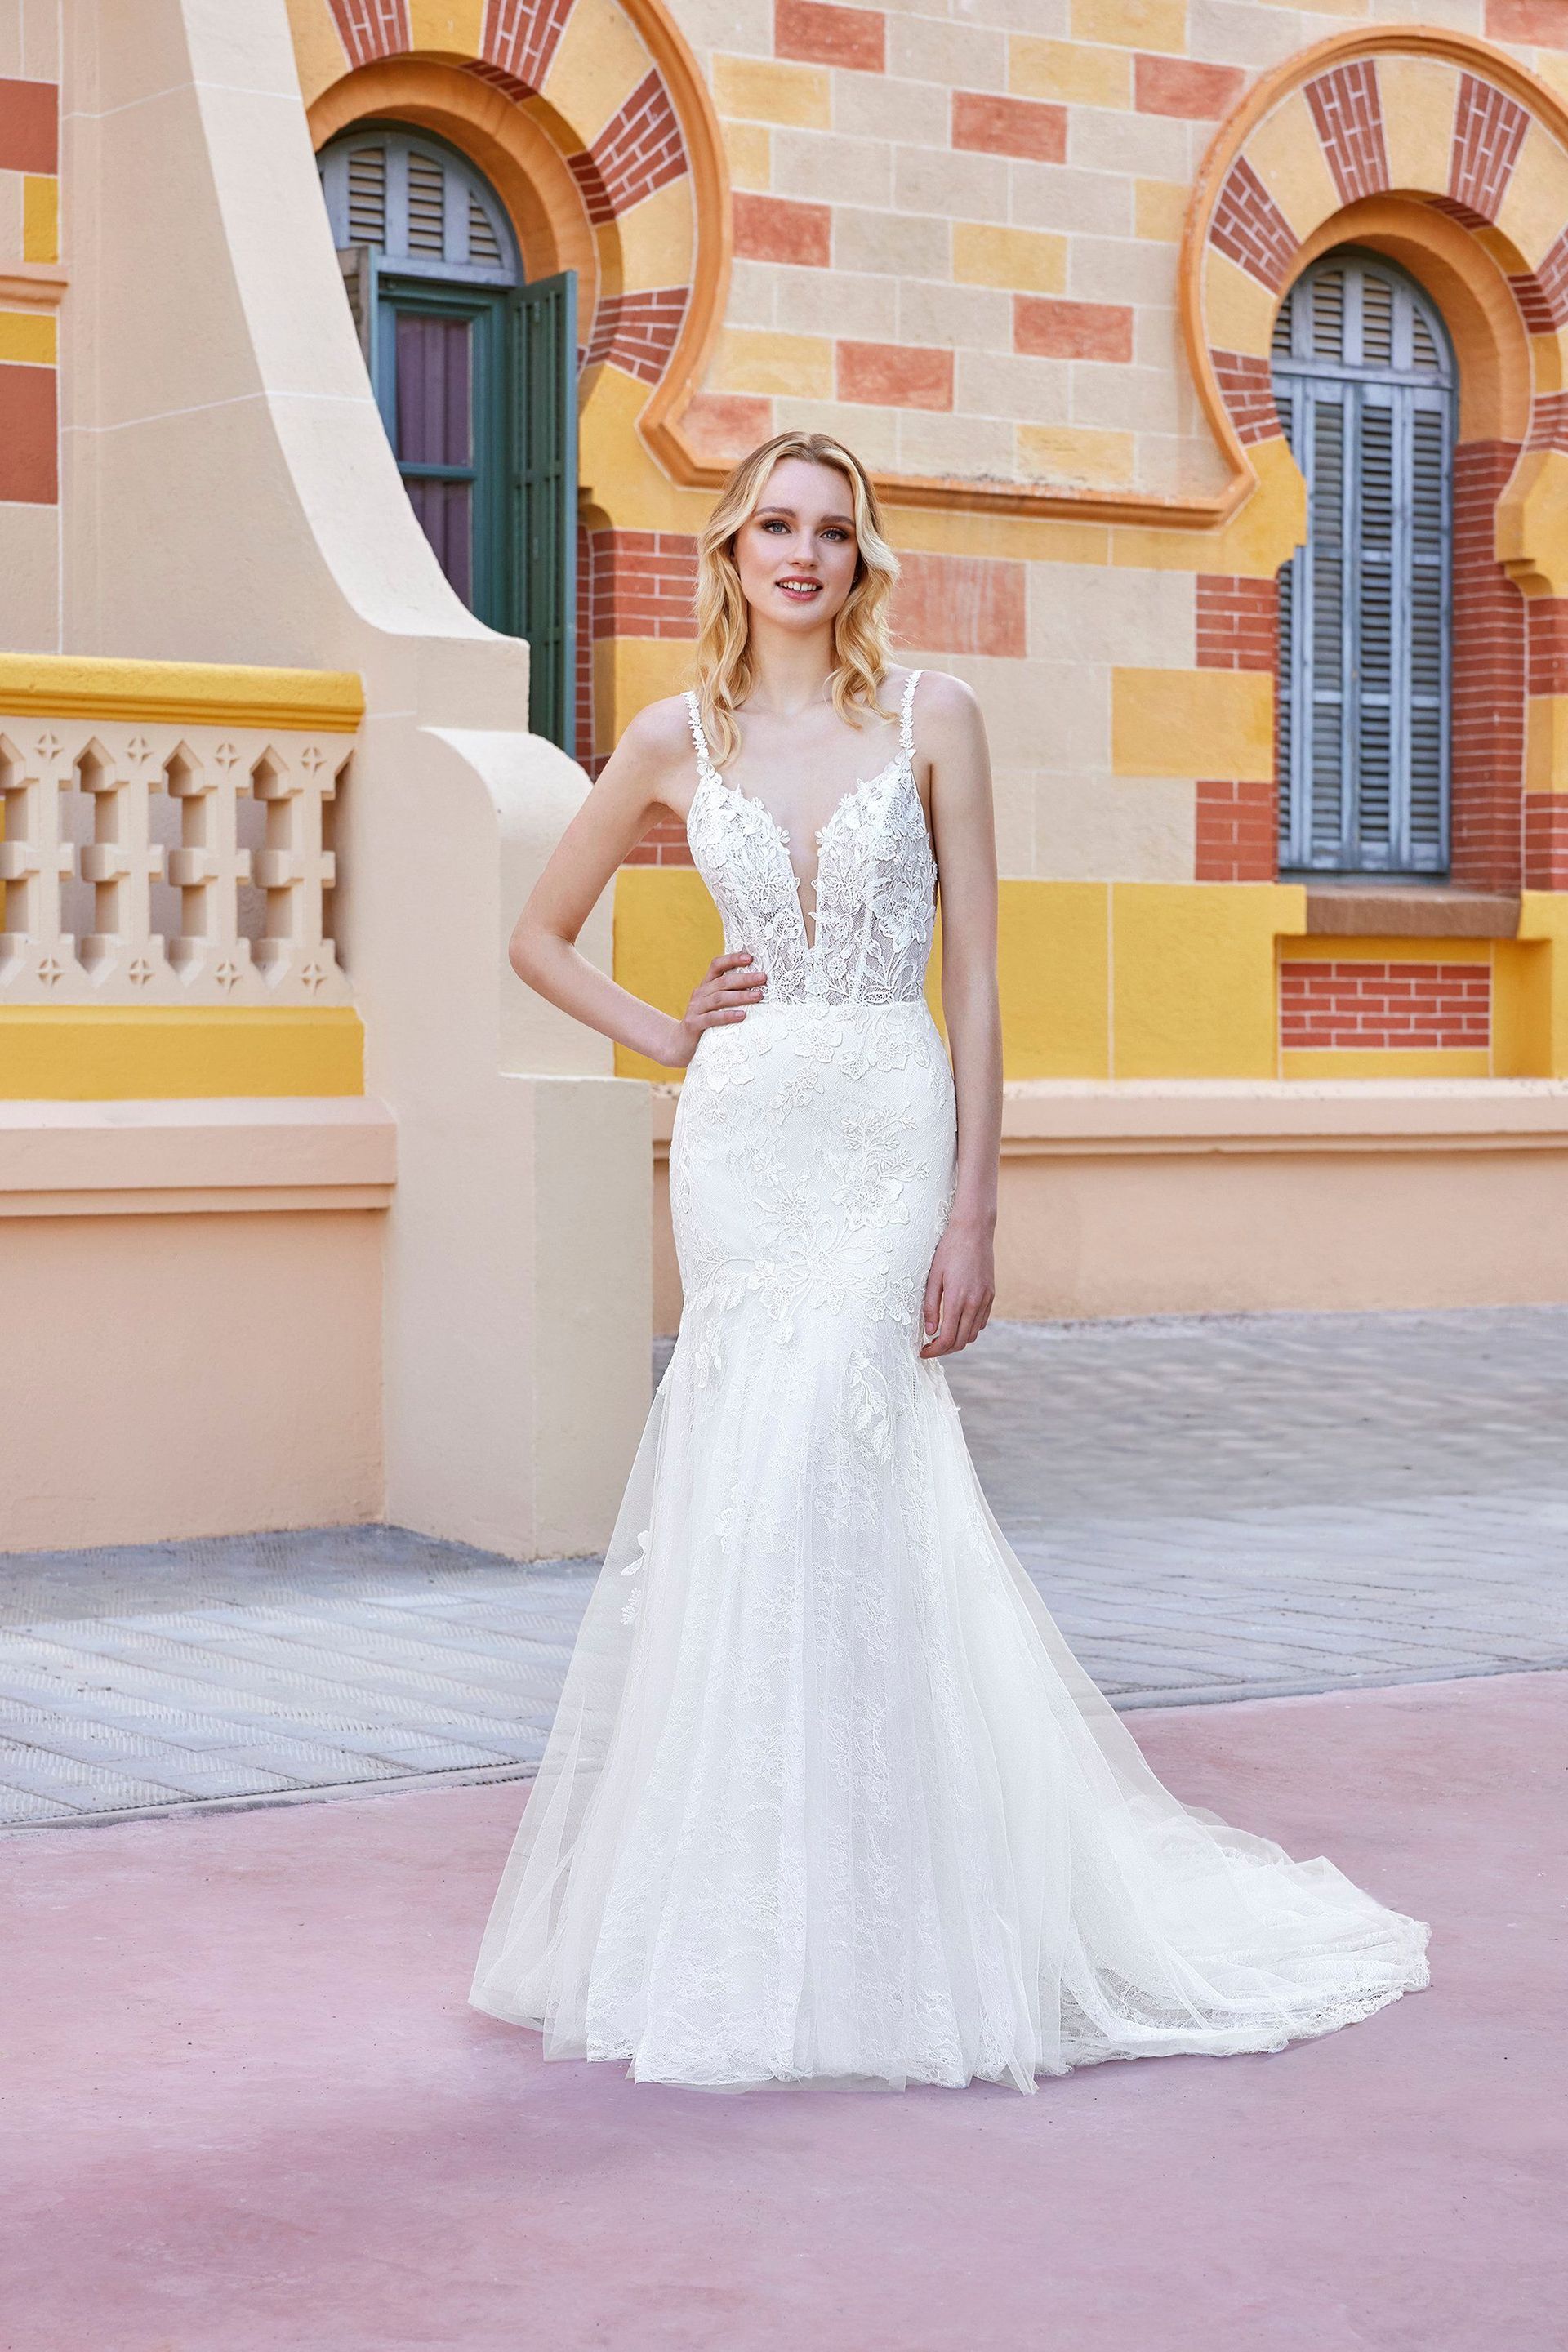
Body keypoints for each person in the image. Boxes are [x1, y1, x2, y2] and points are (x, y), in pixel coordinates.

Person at [469, 430, 1429, 2091]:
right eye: (773, 523)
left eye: (829, 530)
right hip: (746, 1138)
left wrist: (976, 1203)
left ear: (862, 558)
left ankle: (912, 1903)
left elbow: (977, 982)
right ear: (730, 550)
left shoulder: (936, 720)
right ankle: (751, 1908)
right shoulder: (668, 737)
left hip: (886, 1129)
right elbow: (533, 933)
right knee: (744, 1491)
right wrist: (666, 1036)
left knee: (849, 1465)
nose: (800, 553)